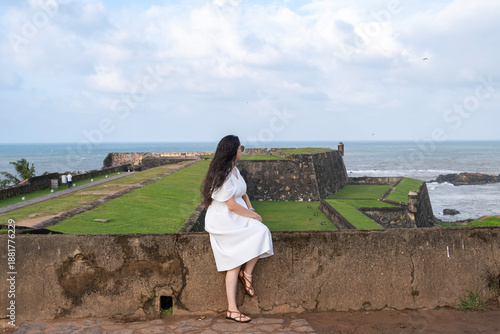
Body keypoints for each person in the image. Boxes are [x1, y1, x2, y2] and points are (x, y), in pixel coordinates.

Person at [201, 135, 273, 323]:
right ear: (233, 150)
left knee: (262, 231)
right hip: (224, 220)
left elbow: (244, 193)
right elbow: (231, 205)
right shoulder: (223, 174)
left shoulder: (234, 170)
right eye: (241, 147)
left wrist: (251, 209)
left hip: (238, 215)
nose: (243, 150)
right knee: (233, 262)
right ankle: (232, 309)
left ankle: (247, 273)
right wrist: (253, 216)